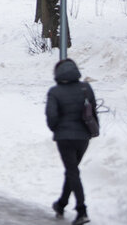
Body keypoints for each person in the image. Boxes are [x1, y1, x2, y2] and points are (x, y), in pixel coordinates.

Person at [46, 58, 98, 225]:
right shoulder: (86, 88)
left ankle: (82, 211)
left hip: (64, 138)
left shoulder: (54, 92)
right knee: (72, 170)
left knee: (72, 171)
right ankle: (61, 204)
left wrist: (57, 129)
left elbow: (51, 118)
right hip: (83, 137)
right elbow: (93, 111)